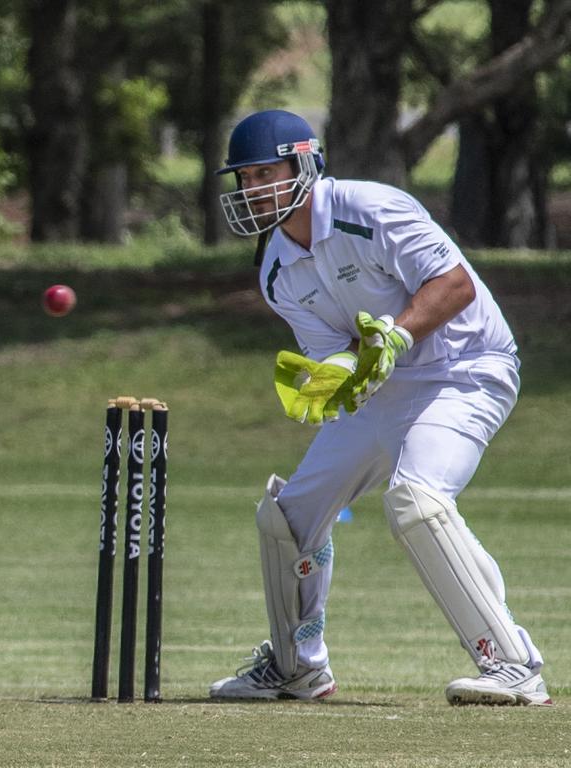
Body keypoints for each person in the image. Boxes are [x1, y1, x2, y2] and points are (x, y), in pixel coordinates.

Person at [207, 109, 550, 706]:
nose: (256, 189)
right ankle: (297, 666)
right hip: (388, 387)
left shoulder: (370, 209)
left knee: (416, 502)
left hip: (464, 369)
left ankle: (512, 662)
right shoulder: (276, 273)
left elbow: (454, 284)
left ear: (304, 164)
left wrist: (395, 335)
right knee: (287, 517)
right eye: (247, 178)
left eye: (268, 173)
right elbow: (341, 356)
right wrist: (332, 378)